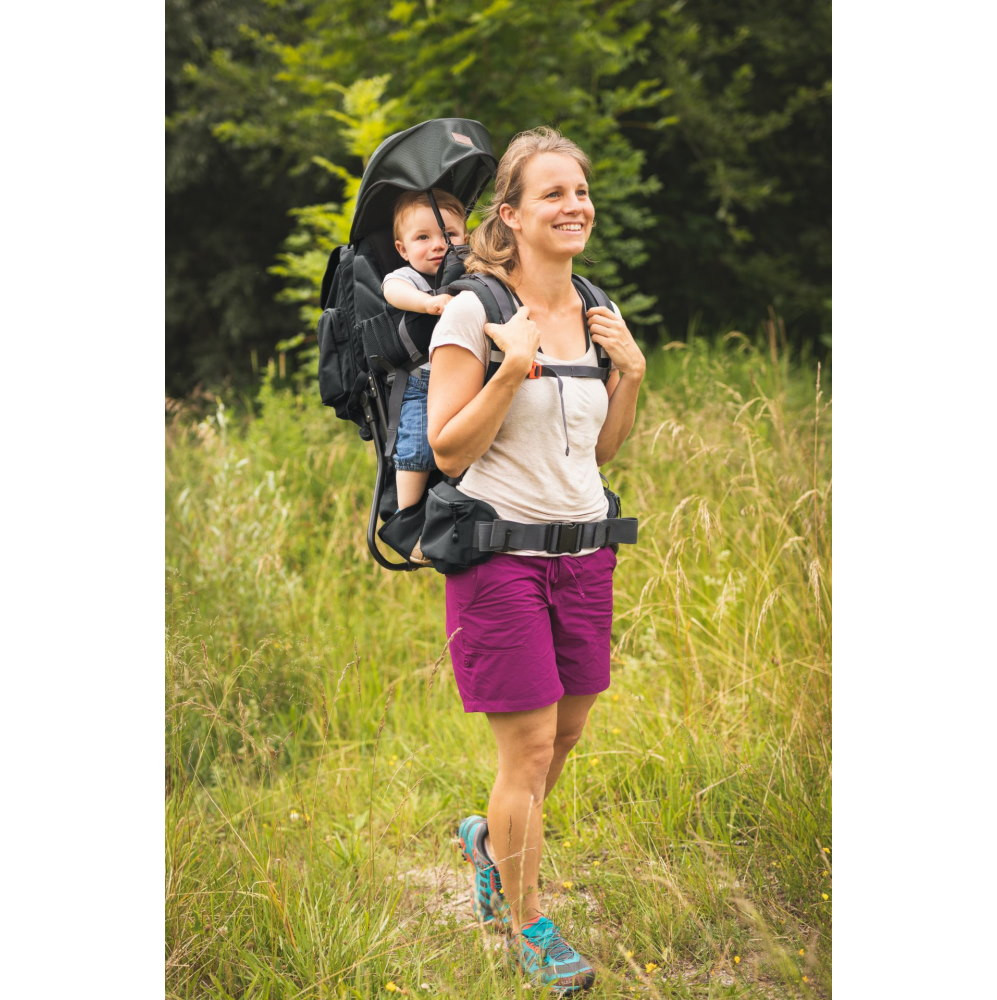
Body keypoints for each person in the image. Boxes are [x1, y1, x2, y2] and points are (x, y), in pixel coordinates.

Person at [426, 128, 646, 993]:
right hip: (500, 558)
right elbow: (447, 450)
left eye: (580, 190)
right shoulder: (473, 313)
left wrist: (630, 374)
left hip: (585, 554)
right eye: (552, 193)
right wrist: (508, 368)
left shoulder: (595, 309)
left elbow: (601, 452)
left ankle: (487, 839)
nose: (574, 205)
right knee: (524, 752)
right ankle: (529, 928)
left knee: (567, 734)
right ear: (511, 215)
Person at [381, 190, 468, 540]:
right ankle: (407, 523)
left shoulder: (472, 274)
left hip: (467, 382)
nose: (439, 245)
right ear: (403, 249)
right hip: (422, 383)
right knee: (417, 447)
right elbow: (393, 291)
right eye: (423, 237)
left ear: (465, 237)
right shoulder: (408, 279)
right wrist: (428, 303)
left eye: (450, 234)